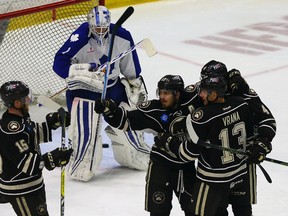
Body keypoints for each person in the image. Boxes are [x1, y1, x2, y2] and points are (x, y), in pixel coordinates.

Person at [52, 5, 150, 181]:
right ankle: (81, 161)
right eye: (97, 27)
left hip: (113, 87)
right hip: (85, 91)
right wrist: (83, 71)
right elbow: (59, 64)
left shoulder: (122, 36)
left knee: (129, 122)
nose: (101, 31)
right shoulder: (80, 37)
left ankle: (134, 153)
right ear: (89, 24)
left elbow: (131, 68)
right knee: (85, 136)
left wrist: (135, 85)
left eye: (104, 27)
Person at [95, 75, 200, 216]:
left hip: (185, 166)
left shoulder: (192, 99)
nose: (162, 97)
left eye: (166, 93)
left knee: (195, 211)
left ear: (178, 94)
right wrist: (109, 110)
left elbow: (213, 87)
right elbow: (125, 120)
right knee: (158, 212)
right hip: (161, 167)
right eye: (160, 92)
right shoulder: (153, 111)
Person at [154, 73, 257, 216]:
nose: (200, 95)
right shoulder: (240, 103)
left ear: (213, 94)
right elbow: (251, 137)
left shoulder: (203, 116)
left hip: (213, 180)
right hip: (239, 173)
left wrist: (170, 143)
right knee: (242, 210)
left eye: (203, 91)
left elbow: (188, 153)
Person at [200, 60, 276, 216]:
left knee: (242, 209)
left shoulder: (242, 93)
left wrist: (262, 144)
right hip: (215, 168)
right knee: (216, 211)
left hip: (243, 163)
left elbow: (267, 121)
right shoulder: (202, 94)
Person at [0, 81, 73, 216]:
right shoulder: (11, 129)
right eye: (25, 99)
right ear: (16, 103)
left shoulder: (20, 119)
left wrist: (52, 123)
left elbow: (32, 134)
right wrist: (51, 158)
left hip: (32, 184)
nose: (29, 101)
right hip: (21, 187)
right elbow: (26, 163)